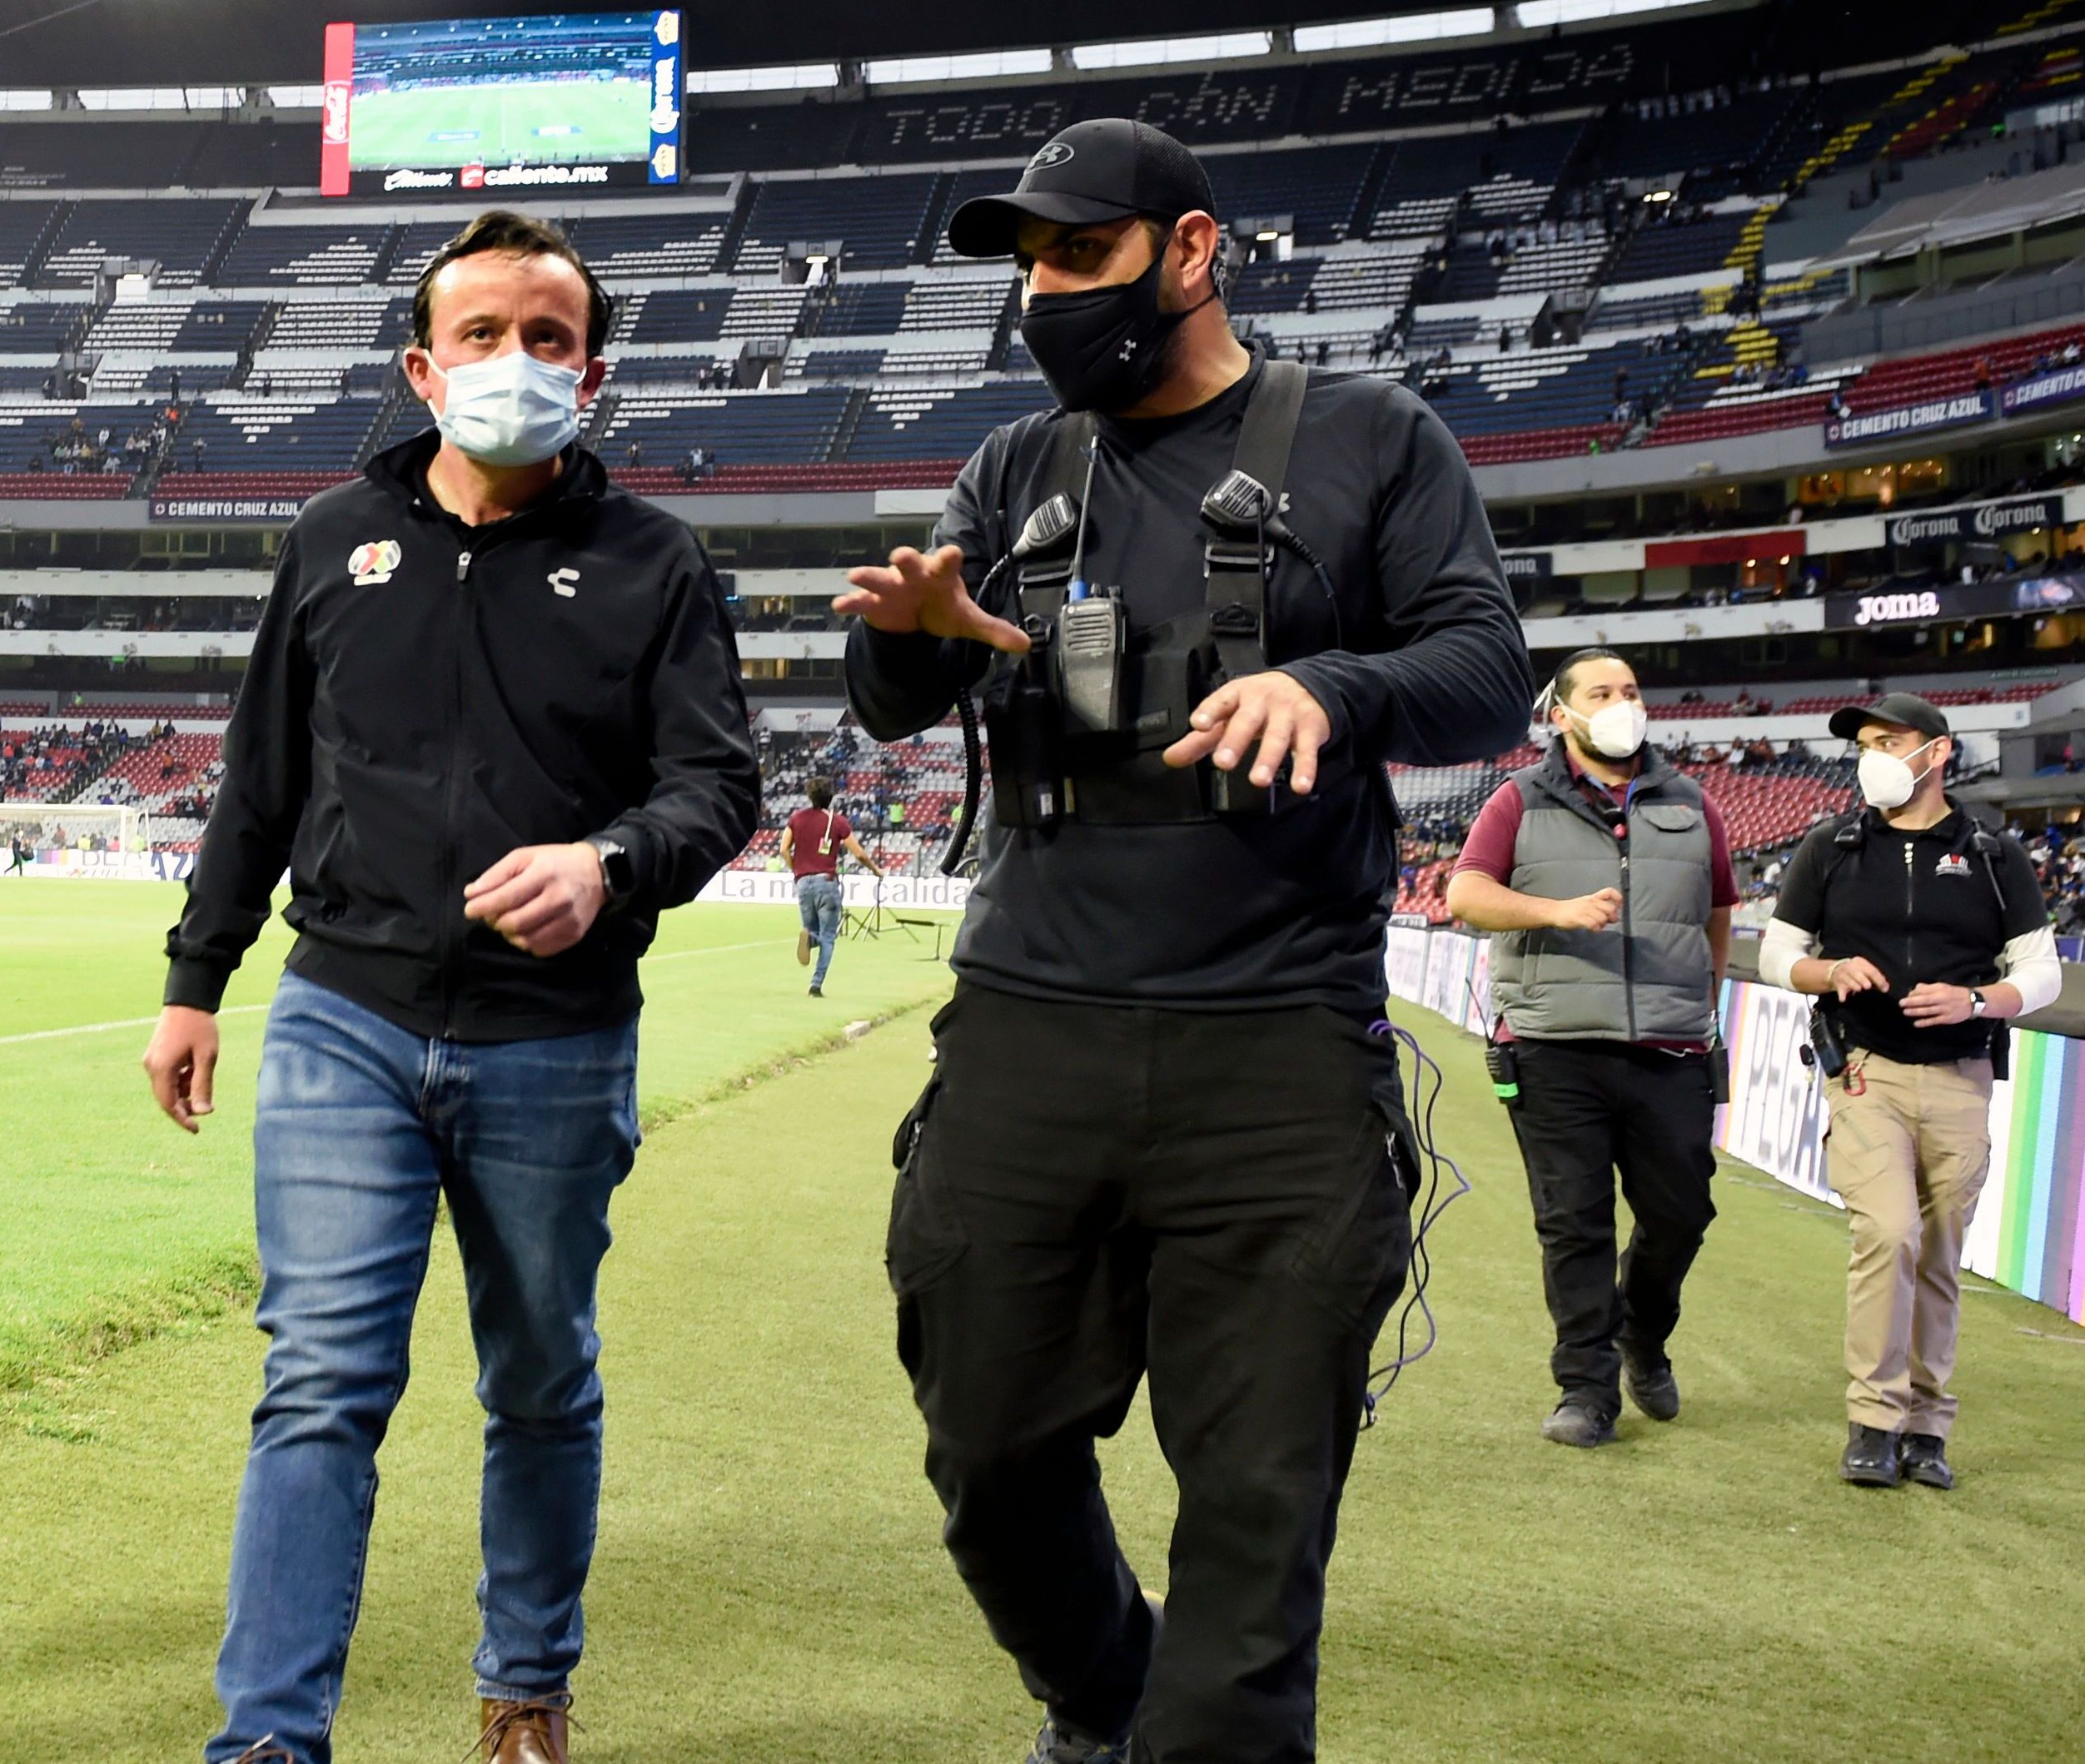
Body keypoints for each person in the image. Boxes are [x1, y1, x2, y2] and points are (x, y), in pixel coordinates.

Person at [834, 118, 1525, 1763]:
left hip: (1275, 1039)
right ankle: (1097, 1694)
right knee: (985, 1448)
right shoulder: (1012, 469)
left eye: (1078, 254)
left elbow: (1485, 665)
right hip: (1023, 1025)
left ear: (1190, 249)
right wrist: (916, 647)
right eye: (1027, 266)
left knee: (1256, 1499)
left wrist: (1328, 680)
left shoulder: (1369, 436)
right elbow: (883, 702)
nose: (1042, 294)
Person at [143, 210, 759, 1764]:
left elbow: (715, 787)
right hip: (341, 1018)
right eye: (478, 336)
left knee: (540, 1375)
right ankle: (268, 1738)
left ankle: (523, 1693)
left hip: (552, 1040)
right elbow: (257, 780)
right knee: (318, 1383)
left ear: (592, 374)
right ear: (421, 366)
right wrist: (194, 977)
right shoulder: (326, 542)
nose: (511, 363)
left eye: (545, 338)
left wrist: (605, 867)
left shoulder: (655, 564)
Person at [1757, 694, 2060, 1491]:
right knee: (1888, 1234)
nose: (1871, 755)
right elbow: (1776, 954)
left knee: (1939, 1255)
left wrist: (1981, 1000)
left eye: (1888, 741)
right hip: (1865, 1073)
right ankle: (1874, 1419)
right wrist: (1825, 972)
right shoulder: (1832, 846)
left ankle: (1928, 1426)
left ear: (1939, 752)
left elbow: (2042, 972)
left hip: (1962, 1078)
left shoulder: (1995, 853)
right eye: (1864, 744)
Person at [1446, 648, 1731, 1449]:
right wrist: (1556, 912)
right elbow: (1465, 893)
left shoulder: (1694, 802)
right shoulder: (1517, 799)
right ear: (1562, 713)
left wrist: (1697, 1000)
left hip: (1670, 1050)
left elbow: (1717, 912)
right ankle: (1586, 1386)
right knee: (1574, 1222)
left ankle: (1643, 1332)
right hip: (1551, 1048)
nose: (1622, 703)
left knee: (1681, 1213)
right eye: (1601, 692)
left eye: (1632, 690)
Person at [787, 771, 876, 997]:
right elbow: (859, 854)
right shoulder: (837, 822)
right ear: (831, 797)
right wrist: (876, 871)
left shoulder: (796, 818)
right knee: (828, 937)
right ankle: (816, 985)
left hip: (803, 882)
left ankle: (809, 938)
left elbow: (783, 848)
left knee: (812, 930)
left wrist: (796, 869)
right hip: (826, 881)